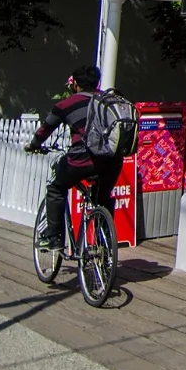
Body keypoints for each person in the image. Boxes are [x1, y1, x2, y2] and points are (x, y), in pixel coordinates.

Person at [25, 64, 119, 250]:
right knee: (102, 197)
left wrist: (33, 145)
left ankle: (54, 238)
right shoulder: (109, 102)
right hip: (113, 161)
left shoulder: (66, 104)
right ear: (97, 82)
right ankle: (105, 246)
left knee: (56, 188)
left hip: (81, 160)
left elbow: (45, 129)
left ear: (75, 84)